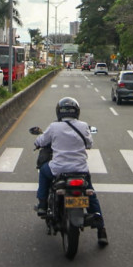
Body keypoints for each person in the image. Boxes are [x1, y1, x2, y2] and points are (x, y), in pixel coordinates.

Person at [32, 97, 107, 246]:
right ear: (77, 112)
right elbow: (89, 144)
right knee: (91, 195)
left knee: (43, 171)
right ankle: (101, 231)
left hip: (58, 169)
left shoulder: (54, 126)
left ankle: (42, 204)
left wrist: (37, 143)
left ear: (59, 112)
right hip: (80, 170)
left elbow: (42, 140)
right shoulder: (83, 126)